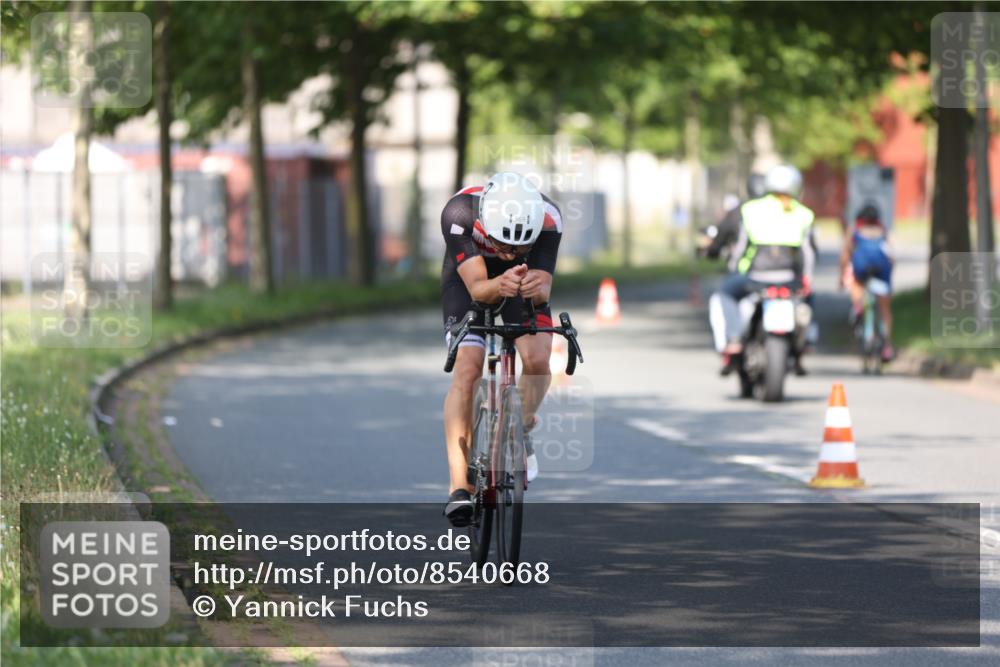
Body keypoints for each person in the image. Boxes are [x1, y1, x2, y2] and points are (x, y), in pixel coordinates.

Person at [440, 172, 562, 526]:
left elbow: (543, 290)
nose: (510, 254)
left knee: (538, 359)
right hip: (468, 280)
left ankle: (519, 429)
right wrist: (499, 281)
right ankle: (458, 487)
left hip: (521, 284)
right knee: (468, 366)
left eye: (520, 248)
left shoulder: (550, 219)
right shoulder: (460, 213)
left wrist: (527, 283)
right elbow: (478, 289)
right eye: (503, 246)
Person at [708, 164, 817, 375]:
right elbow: (809, 254)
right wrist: (806, 279)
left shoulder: (750, 210)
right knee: (809, 298)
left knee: (725, 293)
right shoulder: (804, 214)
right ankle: (807, 341)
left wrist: (734, 269)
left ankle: (733, 339)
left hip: (755, 278)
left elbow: (741, 247)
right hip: (789, 279)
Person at [840, 203, 895, 362]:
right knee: (885, 309)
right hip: (882, 271)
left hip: (862, 270)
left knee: (857, 287)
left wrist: (842, 276)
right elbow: (892, 257)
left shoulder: (855, 230)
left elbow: (845, 255)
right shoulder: (883, 231)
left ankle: (858, 308)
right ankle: (886, 345)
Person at [703, 173, 767, 261]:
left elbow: (723, 231)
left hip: (746, 267)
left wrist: (713, 250)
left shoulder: (741, 209)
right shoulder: (778, 208)